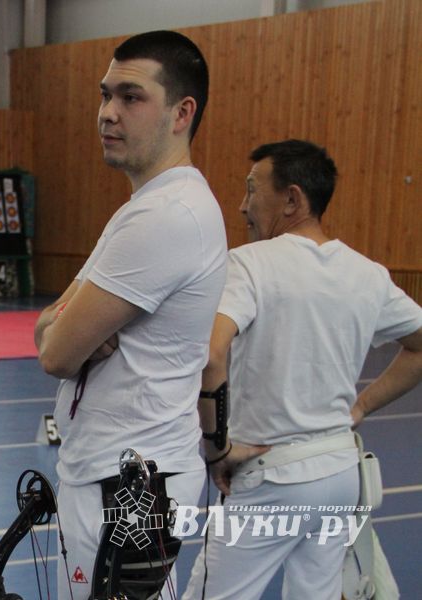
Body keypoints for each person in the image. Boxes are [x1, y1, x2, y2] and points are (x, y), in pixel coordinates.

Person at [182, 139, 422, 600]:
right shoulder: (367, 273)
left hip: (272, 477)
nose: (242, 205)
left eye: (252, 190)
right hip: (338, 473)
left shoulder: (249, 265)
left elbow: (211, 356)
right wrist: (360, 407)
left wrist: (217, 450)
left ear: (292, 198)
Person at [34, 30, 227, 599]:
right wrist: (66, 328)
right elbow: (50, 324)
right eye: (105, 95)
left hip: (127, 487)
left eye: (131, 97)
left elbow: (56, 352)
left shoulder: (165, 217)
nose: (107, 114)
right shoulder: (143, 210)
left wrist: (67, 332)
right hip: (120, 476)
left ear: (181, 112)